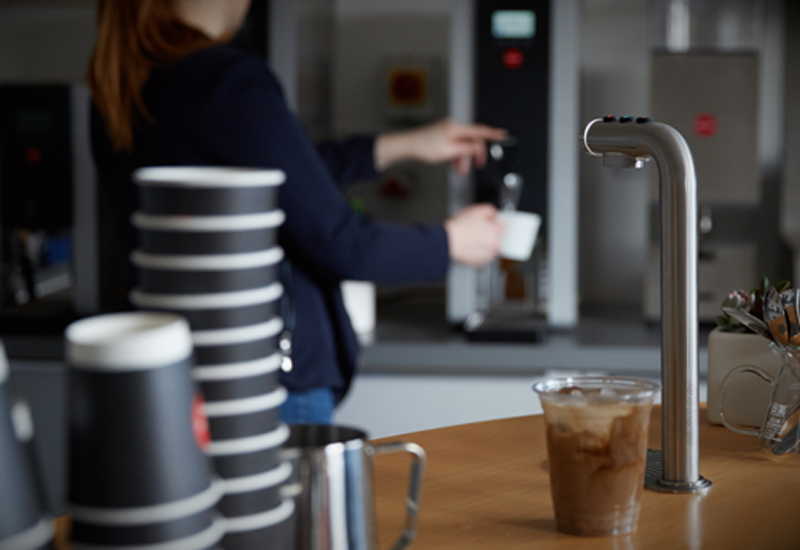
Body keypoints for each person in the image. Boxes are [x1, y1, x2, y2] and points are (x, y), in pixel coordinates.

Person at [88, 0, 506, 424]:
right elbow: (344, 243)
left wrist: (401, 146)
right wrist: (451, 241)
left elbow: (273, 178)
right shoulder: (226, 80)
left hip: (187, 370)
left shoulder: (123, 85)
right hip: (270, 382)